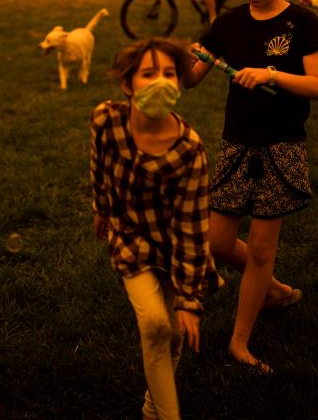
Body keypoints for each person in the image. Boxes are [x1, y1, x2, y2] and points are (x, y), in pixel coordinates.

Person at [182, 0, 318, 374]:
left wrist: (270, 73)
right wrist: (169, 63)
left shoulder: (302, 24)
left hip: (281, 145)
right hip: (237, 143)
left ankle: (239, 342)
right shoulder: (228, 23)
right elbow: (192, 79)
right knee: (218, 242)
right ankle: (277, 290)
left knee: (262, 250)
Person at [90, 37, 222, 420]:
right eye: (149, 74)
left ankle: (153, 403)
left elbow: (193, 228)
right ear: (127, 84)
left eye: (169, 73)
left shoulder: (189, 151)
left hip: (174, 246)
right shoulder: (106, 120)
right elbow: (98, 164)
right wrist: (101, 207)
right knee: (154, 323)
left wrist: (190, 301)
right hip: (129, 237)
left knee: (175, 333)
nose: (161, 82)